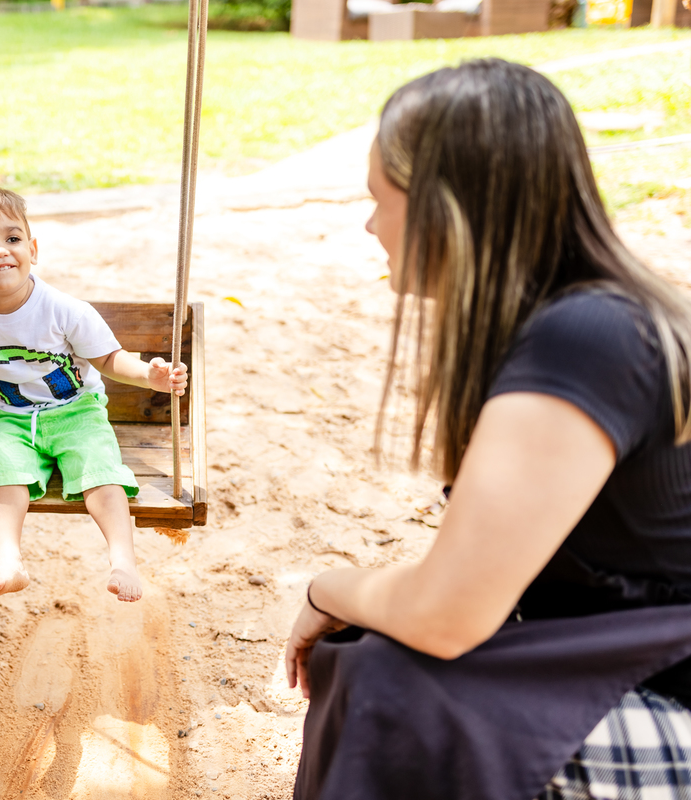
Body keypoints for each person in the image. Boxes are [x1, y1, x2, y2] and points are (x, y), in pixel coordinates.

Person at [286, 59, 691, 800]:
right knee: (374, 654)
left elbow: (447, 614)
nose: (372, 227)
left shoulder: (588, 335)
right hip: (623, 663)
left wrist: (325, 589)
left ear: (448, 208)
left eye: (380, 200)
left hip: (668, 702)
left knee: (394, 685)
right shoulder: (579, 320)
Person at [0, 179, 187, 604]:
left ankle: (123, 561)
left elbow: (108, 358)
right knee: (3, 473)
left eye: (12, 239)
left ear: (32, 249)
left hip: (77, 412)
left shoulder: (63, 310)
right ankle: (10, 562)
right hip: (11, 419)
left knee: (101, 471)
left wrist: (150, 376)